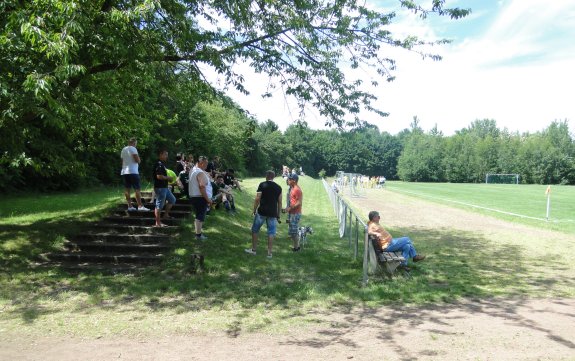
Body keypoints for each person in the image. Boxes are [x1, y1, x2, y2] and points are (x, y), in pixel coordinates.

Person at [245, 170, 282, 259]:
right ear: (273, 177)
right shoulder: (278, 187)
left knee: (255, 229)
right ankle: (269, 253)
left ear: (267, 176)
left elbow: (257, 198)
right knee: (271, 232)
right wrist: (278, 215)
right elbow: (280, 202)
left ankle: (253, 250)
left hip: (262, 211)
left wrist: (254, 210)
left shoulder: (262, 184)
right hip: (273, 213)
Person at [120, 137, 149, 212]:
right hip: (133, 171)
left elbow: (122, 161)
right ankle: (140, 206)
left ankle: (130, 206)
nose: (136, 145)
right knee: (137, 189)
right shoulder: (133, 149)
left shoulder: (123, 149)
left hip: (125, 171)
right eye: (136, 144)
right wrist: (139, 160)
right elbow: (137, 160)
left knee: (127, 189)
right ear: (134, 143)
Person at [189, 156, 212, 240]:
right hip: (200, 197)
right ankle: (198, 235)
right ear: (202, 163)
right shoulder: (199, 172)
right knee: (200, 216)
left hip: (195, 197)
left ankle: (198, 233)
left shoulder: (193, 170)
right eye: (206, 164)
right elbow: (202, 186)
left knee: (198, 215)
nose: (207, 166)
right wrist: (208, 199)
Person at [152, 150, 177, 227]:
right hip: (160, 187)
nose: (167, 156)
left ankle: (166, 215)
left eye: (167, 154)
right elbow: (159, 176)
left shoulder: (162, 164)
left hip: (164, 187)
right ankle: (158, 223)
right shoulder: (158, 164)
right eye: (165, 154)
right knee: (159, 205)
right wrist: (168, 178)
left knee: (172, 199)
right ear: (160, 154)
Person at [284, 173, 303, 252]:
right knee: (292, 230)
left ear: (294, 181)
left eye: (289, 179)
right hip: (292, 213)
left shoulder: (297, 190)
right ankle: (296, 246)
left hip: (295, 214)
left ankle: (297, 248)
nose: (288, 180)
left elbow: (299, 202)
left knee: (294, 231)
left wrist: (290, 208)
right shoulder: (292, 188)